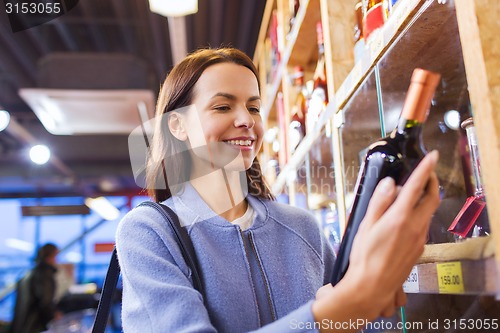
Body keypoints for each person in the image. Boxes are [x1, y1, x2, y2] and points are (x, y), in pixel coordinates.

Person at [116, 48, 440, 332]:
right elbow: (344, 310)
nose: (246, 119)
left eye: (254, 107)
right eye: (223, 107)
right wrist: (333, 313)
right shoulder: (149, 232)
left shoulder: (303, 228)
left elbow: (365, 322)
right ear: (178, 126)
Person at [10, 243, 60, 333]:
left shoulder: (31, 273)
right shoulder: (44, 274)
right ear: (49, 257)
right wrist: (54, 318)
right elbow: (46, 302)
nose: (56, 261)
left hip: (22, 325)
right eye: (55, 257)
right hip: (34, 326)